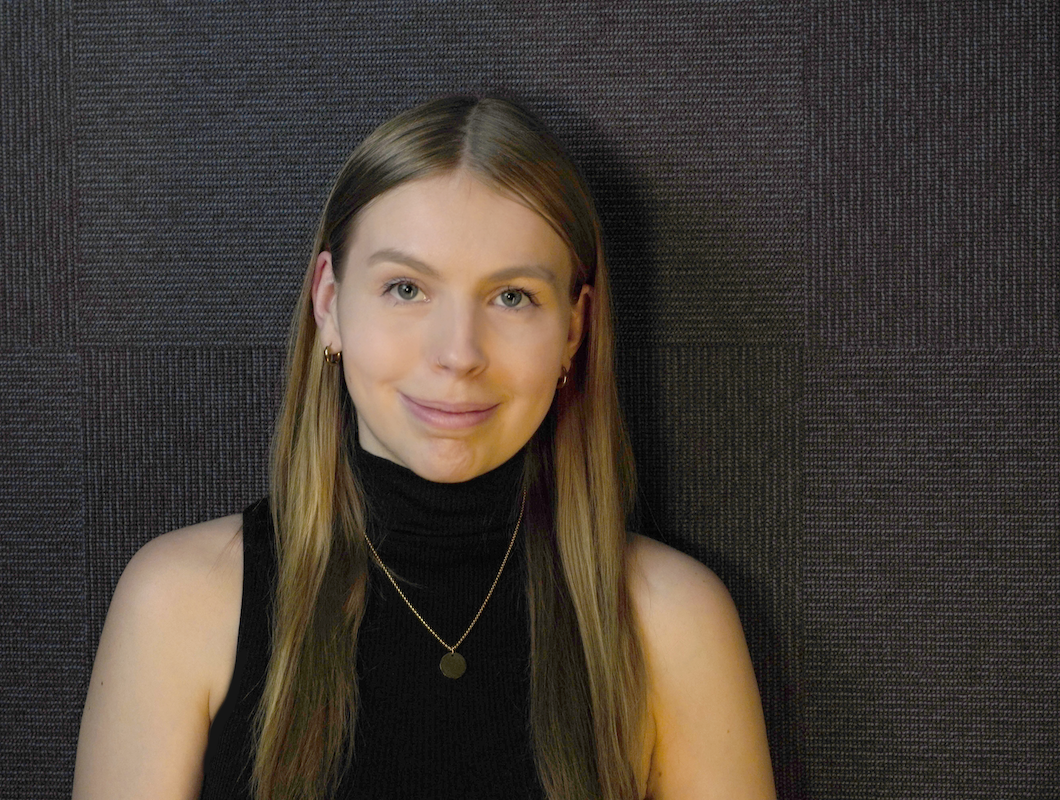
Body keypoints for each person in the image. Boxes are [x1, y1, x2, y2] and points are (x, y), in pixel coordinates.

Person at [72, 95, 776, 800]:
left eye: (512, 297)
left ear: (573, 329)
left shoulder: (673, 621)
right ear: (329, 305)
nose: (458, 354)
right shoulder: (180, 603)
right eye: (406, 288)